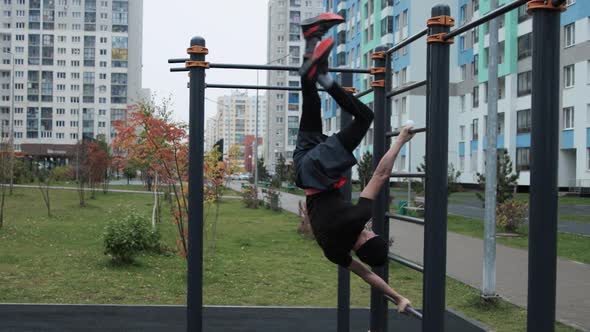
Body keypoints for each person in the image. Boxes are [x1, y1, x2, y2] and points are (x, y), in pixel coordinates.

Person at [294, 13, 415, 313]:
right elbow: (367, 275)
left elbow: (381, 173)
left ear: (368, 238)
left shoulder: (358, 217)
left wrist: (399, 140)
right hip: (303, 169)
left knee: (365, 118)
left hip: (318, 171)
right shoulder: (337, 253)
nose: (373, 229)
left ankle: (324, 77)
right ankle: (311, 38)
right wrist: (397, 297)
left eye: (374, 234)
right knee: (310, 99)